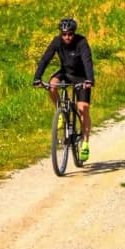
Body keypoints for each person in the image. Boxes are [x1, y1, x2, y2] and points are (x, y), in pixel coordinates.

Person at [32, 15, 94, 164]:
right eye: (64, 34)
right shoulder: (57, 41)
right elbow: (45, 59)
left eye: (70, 34)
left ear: (74, 33)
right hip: (65, 73)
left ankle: (85, 142)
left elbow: (87, 61)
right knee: (52, 86)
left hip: (81, 77)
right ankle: (60, 111)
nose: (67, 37)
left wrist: (90, 79)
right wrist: (37, 77)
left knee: (83, 107)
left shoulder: (81, 42)